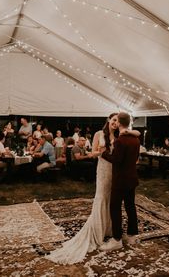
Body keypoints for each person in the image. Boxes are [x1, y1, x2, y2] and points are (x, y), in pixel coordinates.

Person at [46, 113, 139, 264]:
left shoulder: (122, 136)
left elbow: (123, 148)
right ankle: (104, 229)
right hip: (105, 170)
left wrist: (105, 153)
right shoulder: (99, 134)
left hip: (117, 172)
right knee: (106, 199)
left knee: (115, 204)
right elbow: (93, 153)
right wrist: (99, 153)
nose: (114, 123)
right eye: (113, 120)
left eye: (117, 120)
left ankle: (114, 234)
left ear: (120, 122)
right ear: (109, 120)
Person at [100, 112, 140, 251]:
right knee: (130, 207)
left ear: (119, 123)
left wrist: (104, 153)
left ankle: (117, 239)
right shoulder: (135, 139)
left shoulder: (120, 141)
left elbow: (116, 160)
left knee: (115, 208)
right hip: (132, 178)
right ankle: (132, 235)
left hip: (120, 180)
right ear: (129, 123)